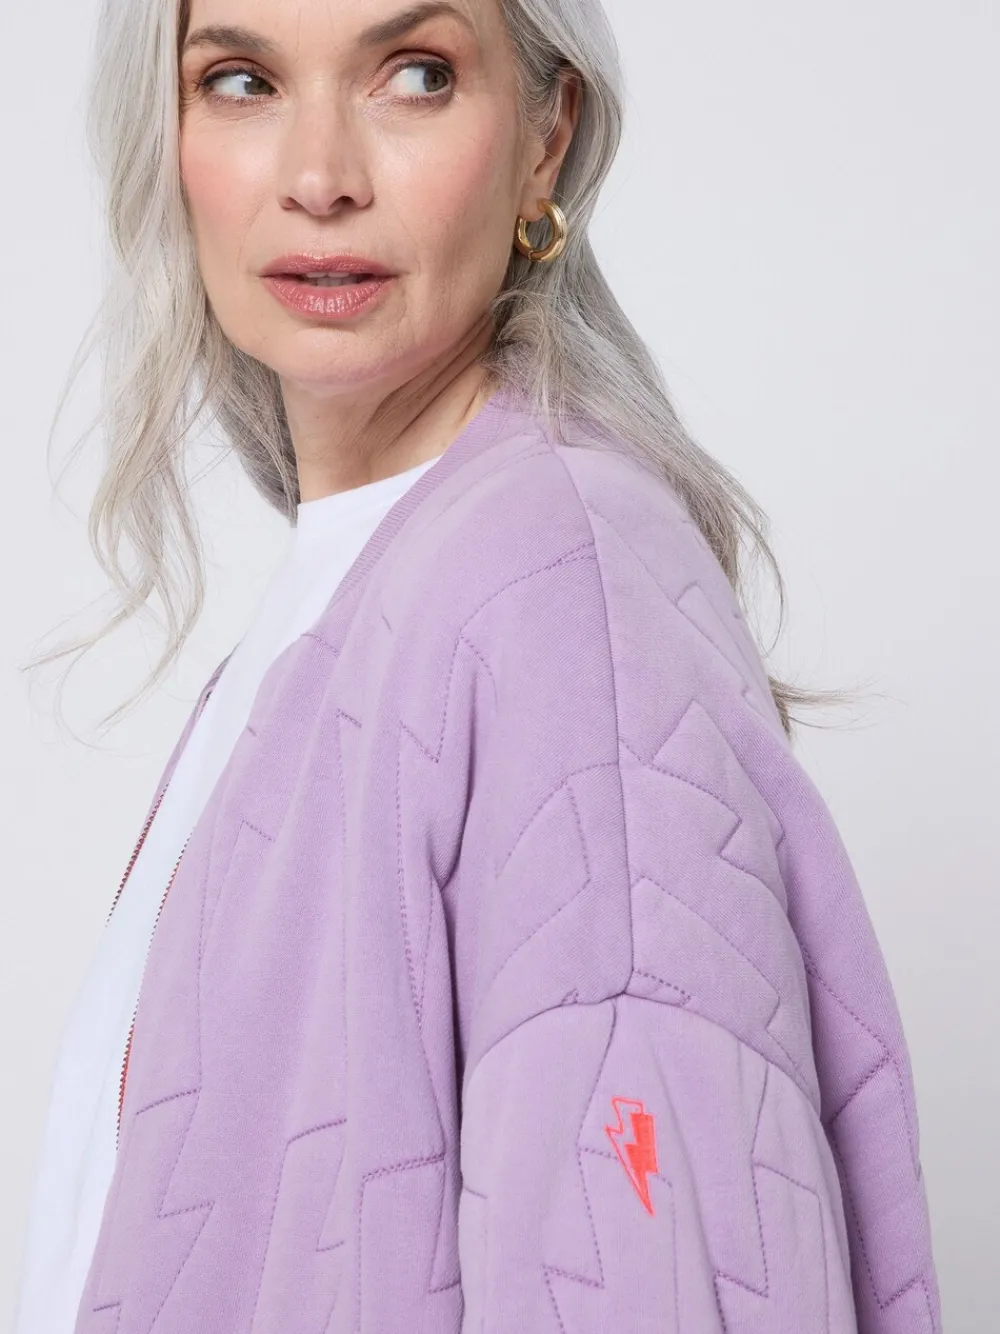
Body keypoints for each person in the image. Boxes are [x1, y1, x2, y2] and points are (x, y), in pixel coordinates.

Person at [14, 0, 941, 1330]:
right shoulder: (360, 591)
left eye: (415, 74)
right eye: (240, 81)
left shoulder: (558, 600)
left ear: (545, 139)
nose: (319, 175)